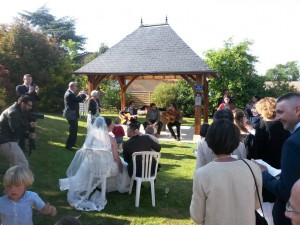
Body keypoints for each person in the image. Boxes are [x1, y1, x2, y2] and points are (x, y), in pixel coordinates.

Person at [190, 119, 262, 225]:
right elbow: (256, 204)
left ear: (209, 141)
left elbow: (197, 215)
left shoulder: (202, 174)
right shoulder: (253, 168)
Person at [59, 116, 130, 211]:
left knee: (119, 163)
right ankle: (119, 186)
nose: (113, 125)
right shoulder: (111, 139)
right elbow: (116, 158)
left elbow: (86, 150)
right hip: (106, 168)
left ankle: (103, 186)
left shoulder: (92, 137)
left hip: (92, 165)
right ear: (106, 126)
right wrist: (120, 165)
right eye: (111, 124)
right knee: (125, 166)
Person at [254, 93, 300, 225]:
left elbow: (287, 191)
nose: (277, 117)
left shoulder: (293, 143)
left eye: (280, 112)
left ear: (297, 110)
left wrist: (264, 174)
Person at [0, 95, 34, 168]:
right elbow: (16, 130)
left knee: (15, 166)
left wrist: (28, 135)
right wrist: (29, 126)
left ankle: (12, 178)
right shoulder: (13, 112)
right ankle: (20, 179)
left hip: (7, 140)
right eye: (29, 105)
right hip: (5, 142)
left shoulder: (18, 110)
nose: (30, 108)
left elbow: (16, 131)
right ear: (22, 103)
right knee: (23, 165)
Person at [64, 82, 86, 151]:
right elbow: (78, 100)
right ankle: (68, 145)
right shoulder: (69, 94)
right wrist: (83, 95)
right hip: (71, 114)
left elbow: (75, 99)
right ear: (72, 86)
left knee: (75, 129)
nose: (76, 88)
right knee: (72, 130)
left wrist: (79, 95)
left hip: (73, 113)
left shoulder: (70, 93)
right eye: (75, 86)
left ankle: (72, 143)